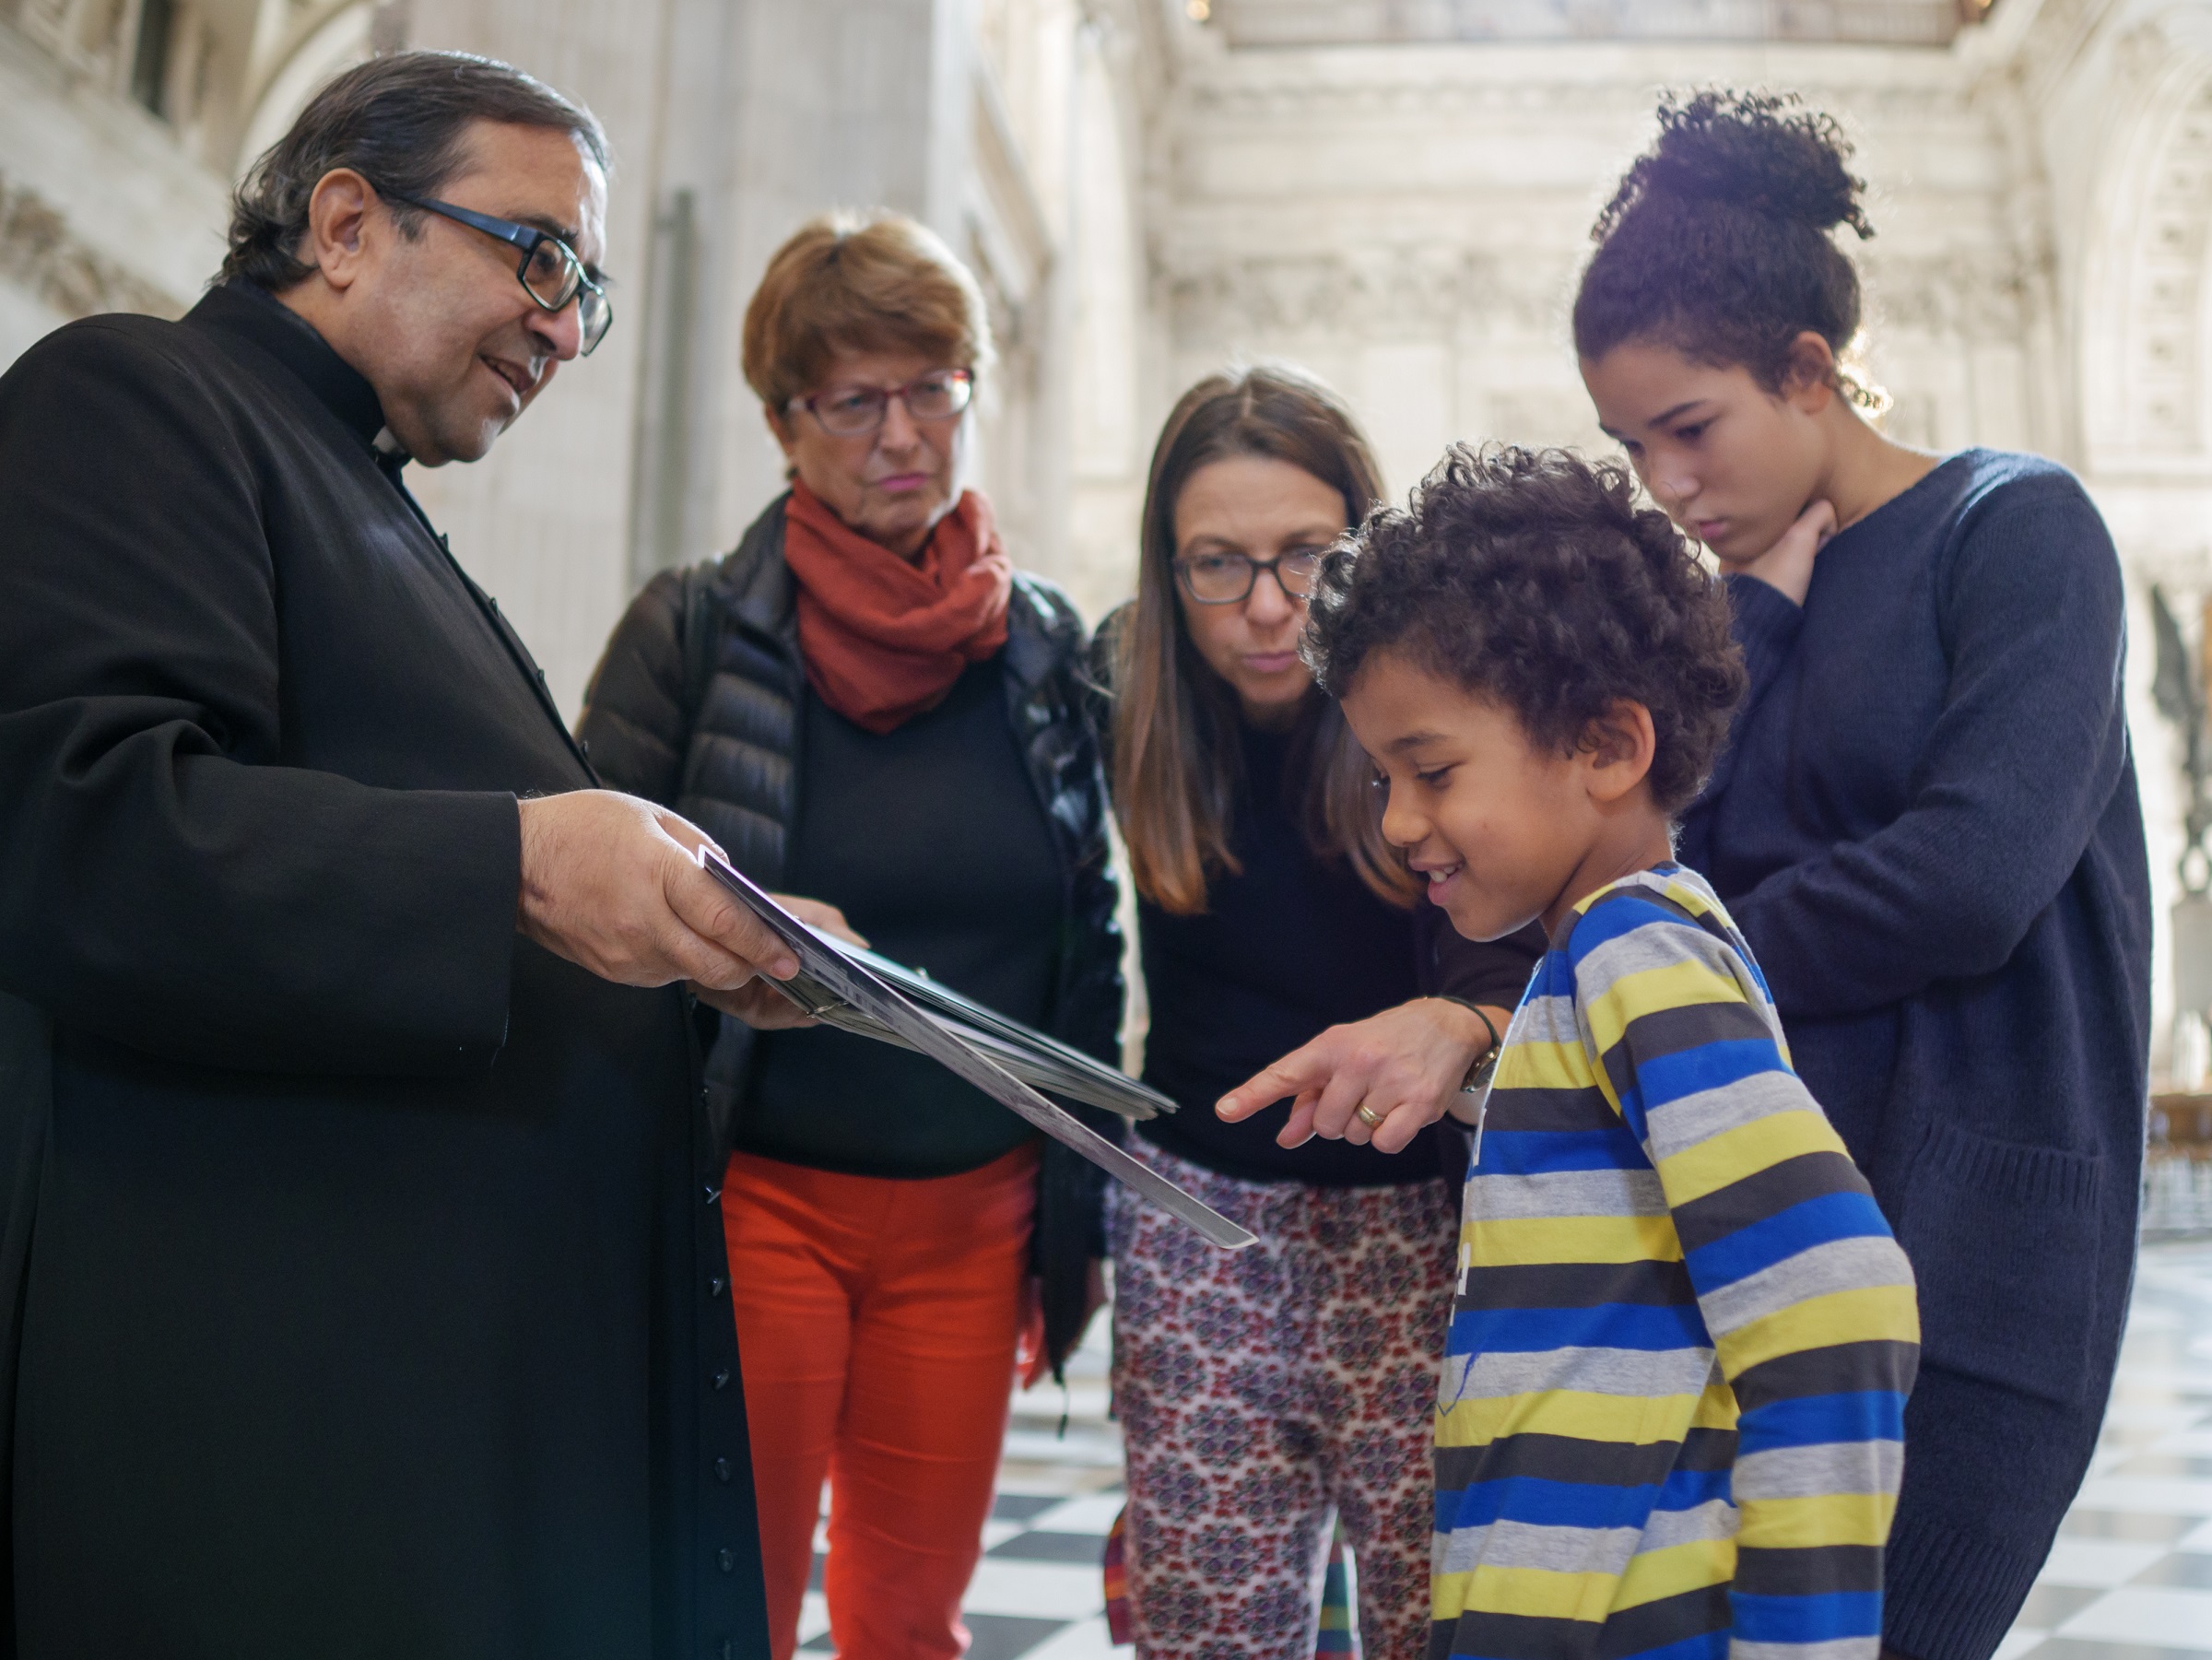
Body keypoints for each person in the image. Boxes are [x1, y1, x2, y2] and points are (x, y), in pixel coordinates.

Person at [0, 52, 805, 1658]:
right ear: (350, 223)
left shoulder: (366, 496)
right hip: (262, 1437)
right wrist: (515, 860)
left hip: (420, 1426)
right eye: (541, 257)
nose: (567, 328)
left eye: (590, 288)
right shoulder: (135, 394)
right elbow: (86, 825)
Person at [1572, 92, 2150, 1660]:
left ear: (1810, 371)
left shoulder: (2015, 529)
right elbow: (1671, 848)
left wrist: (1683, 961)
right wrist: (1748, 622)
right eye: (1633, 446)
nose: (1668, 482)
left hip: (1984, 1247)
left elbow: (1970, 876)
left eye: (1690, 427)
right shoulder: (1739, 598)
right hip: (1761, 1233)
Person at [577, 209, 1122, 1660]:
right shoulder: (692, 631)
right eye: (854, 399)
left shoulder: (1050, 648)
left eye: (934, 386)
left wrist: (1083, 1199)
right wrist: (729, 933)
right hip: (757, 1201)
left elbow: (1094, 919)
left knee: (911, 1622)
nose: (904, 433)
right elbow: (571, 901)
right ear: (783, 422)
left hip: (975, 1214)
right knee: (721, 1608)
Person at [1311, 441, 1921, 1660]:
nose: (1398, 822)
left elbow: (1837, 1305)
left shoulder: (1634, 957)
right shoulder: (1593, 966)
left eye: (1429, 769)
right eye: (1384, 777)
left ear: (1606, 747)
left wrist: (1803, 1646)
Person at [1088, 366, 1541, 1660]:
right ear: (1168, 575)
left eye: (1307, 557)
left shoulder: (1446, 710)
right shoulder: (1121, 689)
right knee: (1211, 1630)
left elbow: (1553, 940)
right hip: (1197, 1225)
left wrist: (1467, 1023)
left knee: (1434, 1619)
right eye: (1217, 566)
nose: (1269, 608)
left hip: (1419, 1229)